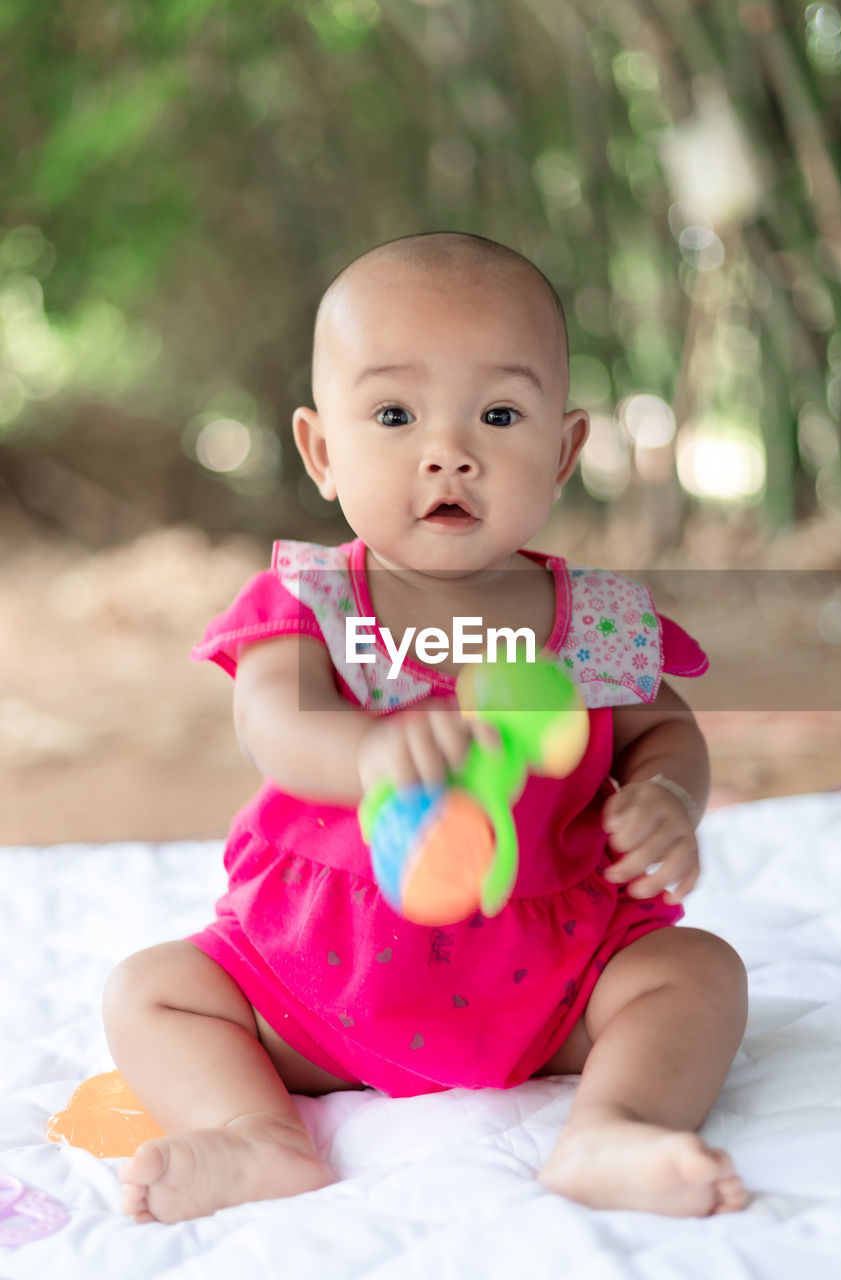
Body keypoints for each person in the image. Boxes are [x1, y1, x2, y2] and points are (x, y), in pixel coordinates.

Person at [103, 231, 749, 1225]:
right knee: (152, 991)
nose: (448, 450)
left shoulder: (601, 617)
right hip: (317, 977)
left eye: (499, 412)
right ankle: (255, 1130)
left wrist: (667, 794)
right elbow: (272, 721)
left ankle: (611, 1122)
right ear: (322, 450)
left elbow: (664, 730)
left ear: (564, 450)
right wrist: (364, 751)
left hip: (549, 980)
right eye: (395, 413)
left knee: (696, 972)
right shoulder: (311, 598)